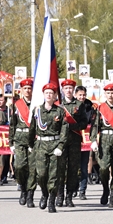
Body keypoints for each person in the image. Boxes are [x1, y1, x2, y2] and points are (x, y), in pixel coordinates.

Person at [28, 83, 68, 213]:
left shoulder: (60, 111)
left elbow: (64, 130)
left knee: (54, 175)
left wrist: (61, 146)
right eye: (47, 93)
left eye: (51, 93)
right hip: (40, 146)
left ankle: (51, 199)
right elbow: (32, 128)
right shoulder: (37, 110)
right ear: (44, 95)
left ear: (55, 95)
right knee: (41, 174)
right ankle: (44, 192)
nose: (49, 95)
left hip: (55, 145)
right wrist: (30, 145)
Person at [90, 83, 113, 208]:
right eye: (108, 93)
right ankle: (105, 188)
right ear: (104, 94)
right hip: (104, 140)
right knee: (103, 168)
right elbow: (95, 125)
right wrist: (93, 140)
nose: (110, 95)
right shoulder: (100, 108)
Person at [56, 79, 88, 207]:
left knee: (73, 169)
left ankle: (69, 197)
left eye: (70, 88)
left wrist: (71, 126)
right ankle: (59, 196)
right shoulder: (57, 105)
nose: (68, 90)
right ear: (63, 90)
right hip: (61, 142)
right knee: (60, 169)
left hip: (74, 140)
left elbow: (84, 123)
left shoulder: (79, 105)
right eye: (66, 88)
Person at [9, 79, 36, 207]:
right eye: (25, 88)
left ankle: (30, 194)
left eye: (29, 88)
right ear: (21, 90)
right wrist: (11, 142)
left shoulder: (37, 104)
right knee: (19, 166)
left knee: (32, 168)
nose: (27, 91)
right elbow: (12, 124)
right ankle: (23, 189)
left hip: (33, 139)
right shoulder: (16, 105)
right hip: (19, 138)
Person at [75, 86, 96, 200]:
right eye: (80, 95)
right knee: (73, 166)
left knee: (84, 166)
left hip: (86, 140)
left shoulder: (91, 107)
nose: (82, 97)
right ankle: (73, 187)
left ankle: (82, 190)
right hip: (73, 139)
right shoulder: (71, 105)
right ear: (76, 95)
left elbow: (93, 123)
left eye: (83, 95)